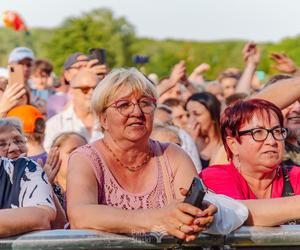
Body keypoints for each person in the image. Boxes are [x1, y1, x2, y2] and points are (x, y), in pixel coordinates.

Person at [67, 68, 248, 241]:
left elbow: (185, 213)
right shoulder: (85, 159)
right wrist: (155, 219)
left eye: (145, 103)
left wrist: (200, 214)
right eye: (123, 105)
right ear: (103, 118)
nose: (137, 112)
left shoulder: (173, 155)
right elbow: (80, 216)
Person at [200, 99, 300, 201]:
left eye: (277, 131)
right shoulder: (216, 176)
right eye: (258, 132)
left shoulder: (295, 176)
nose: (272, 141)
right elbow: (239, 212)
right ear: (233, 144)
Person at [44, 70, 102, 151]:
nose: (92, 93)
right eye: (85, 89)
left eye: (96, 88)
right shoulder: (55, 124)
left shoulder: (109, 121)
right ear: (72, 90)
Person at [185, 92, 222, 169]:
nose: (190, 120)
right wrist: (190, 143)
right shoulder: (185, 141)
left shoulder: (225, 142)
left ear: (213, 116)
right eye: (188, 115)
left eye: (197, 114)